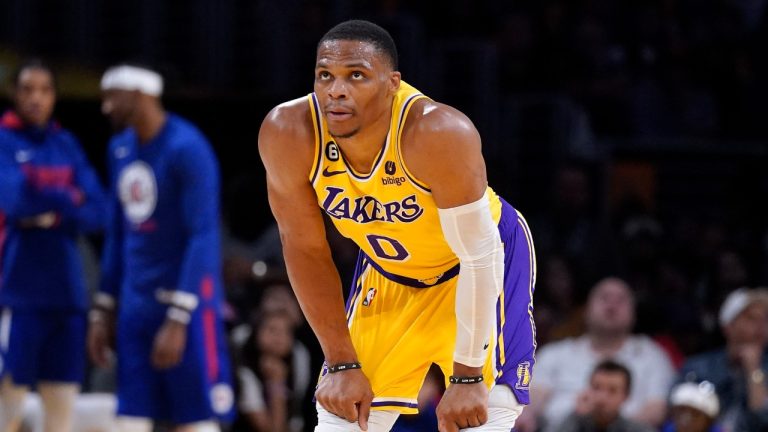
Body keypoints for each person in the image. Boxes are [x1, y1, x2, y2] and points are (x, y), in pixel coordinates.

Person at [258, 19, 537, 432]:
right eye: (325, 75)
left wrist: (467, 376)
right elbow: (303, 248)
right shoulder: (288, 132)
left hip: (477, 268)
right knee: (341, 417)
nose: (336, 89)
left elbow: (480, 255)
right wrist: (340, 361)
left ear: (392, 84)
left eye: (356, 75)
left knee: (480, 418)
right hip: (389, 271)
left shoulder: (436, 131)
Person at [87, 63, 234, 432]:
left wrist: (179, 316)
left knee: (195, 415)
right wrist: (103, 308)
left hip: (184, 305)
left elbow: (203, 235)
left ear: (140, 95)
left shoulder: (188, 148)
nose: (106, 107)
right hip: (136, 305)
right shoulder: (119, 149)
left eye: (112, 98)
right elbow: (118, 233)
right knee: (134, 414)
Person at [0, 58, 107, 432]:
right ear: (14, 93)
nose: (36, 98)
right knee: (7, 401)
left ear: (54, 98)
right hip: (17, 291)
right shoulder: (4, 140)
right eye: (27, 89)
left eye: (44, 90)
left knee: (61, 403)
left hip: (66, 293)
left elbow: (100, 211)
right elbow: (15, 202)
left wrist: (50, 210)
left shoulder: (66, 144)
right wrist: (68, 197)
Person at [517, 277, 675, 432]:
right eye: (604, 298)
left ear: (634, 313)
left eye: (620, 300)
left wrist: (606, 422)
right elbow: (530, 398)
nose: (612, 305)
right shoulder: (555, 354)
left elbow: (657, 411)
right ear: (585, 310)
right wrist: (525, 414)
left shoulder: (653, 356)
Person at [677, 287, 768, 431]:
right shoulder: (698, 366)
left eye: (765, 319)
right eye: (751, 318)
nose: (760, 326)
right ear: (728, 325)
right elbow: (684, 414)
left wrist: (753, 370)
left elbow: (762, 417)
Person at [557, 360, 655, 432]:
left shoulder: (639, 429)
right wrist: (576, 415)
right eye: (596, 388)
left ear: (626, 396)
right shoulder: (572, 422)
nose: (602, 397)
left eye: (612, 391)